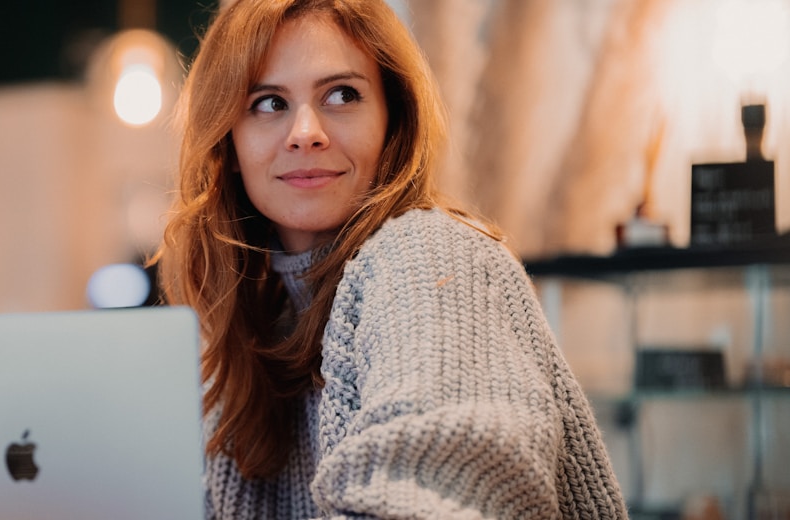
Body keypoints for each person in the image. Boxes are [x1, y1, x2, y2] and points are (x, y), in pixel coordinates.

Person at [152, 0, 629, 518]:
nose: (305, 131)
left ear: (392, 121)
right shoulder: (258, 328)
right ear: (228, 143)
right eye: (268, 103)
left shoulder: (429, 258)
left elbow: (438, 495)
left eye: (341, 94)